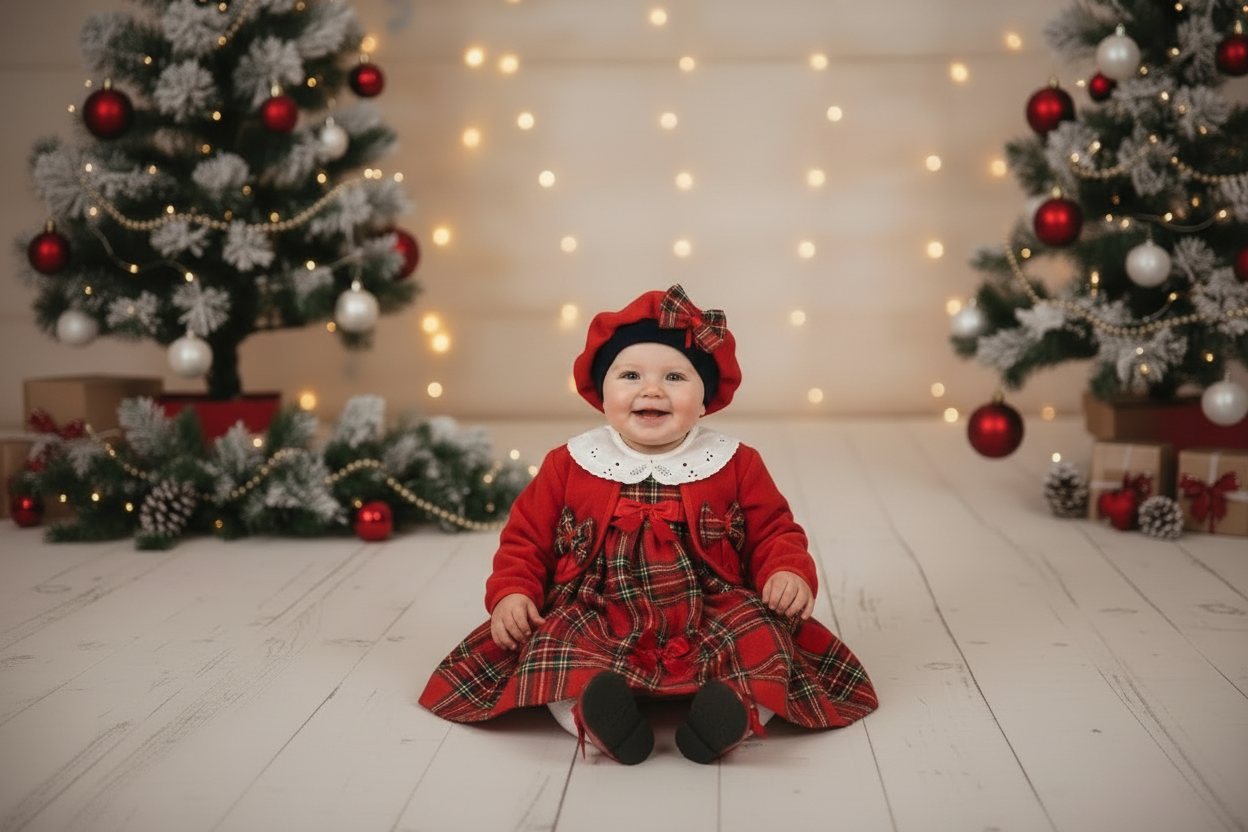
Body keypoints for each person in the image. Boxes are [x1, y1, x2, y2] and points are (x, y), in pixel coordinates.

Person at [419, 284, 877, 764]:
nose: (652, 390)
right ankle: (595, 716)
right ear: (603, 392)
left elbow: (774, 531)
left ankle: (733, 715)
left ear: (705, 400)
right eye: (631, 374)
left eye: (676, 377)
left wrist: (786, 571)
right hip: (600, 608)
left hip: (708, 606)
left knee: (762, 636)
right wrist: (513, 592)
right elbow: (526, 540)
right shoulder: (570, 463)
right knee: (557, 642)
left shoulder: (734, 462)